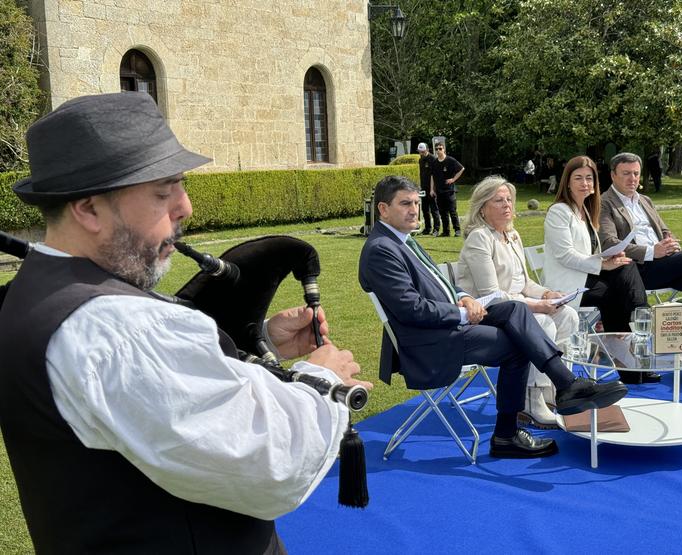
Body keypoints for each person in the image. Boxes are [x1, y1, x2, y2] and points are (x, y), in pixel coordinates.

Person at [0, 92, 371, 554]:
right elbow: (267, 462)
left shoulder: (38, 293)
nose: (185, 207)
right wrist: (323, 379)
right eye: (163, 192)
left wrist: (257, 349)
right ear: (89, 209)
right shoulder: (118, 329)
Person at [358, 175, 627, 459]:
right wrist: (462, 312)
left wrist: (464, 297)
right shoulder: (381, 250)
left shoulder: (402, 240)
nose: (414, 210)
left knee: (516, 309)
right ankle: (506, 435)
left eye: (416, 202)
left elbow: (442, 284)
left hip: (449, 323)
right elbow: (411, 309)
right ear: (383, 209)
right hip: (429, 341)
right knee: (517, 345)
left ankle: (566, 385)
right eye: (405, 204)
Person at [456, 177, 579, 429]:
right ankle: (530, 400)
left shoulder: (511, 235)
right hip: (488, 313)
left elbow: (523, 283)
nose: (507, 205)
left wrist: (546, 294)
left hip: (518, 307)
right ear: (482, 207)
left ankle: (550, 391)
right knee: (543, 320)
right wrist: (538, 306)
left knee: (568, 315)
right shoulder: (480, 238)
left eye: (509, 199)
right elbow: (493, 294)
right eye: (498, 200)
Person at [543, 156, 653, 384]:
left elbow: (590, 252)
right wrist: (602, 264)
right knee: (621, 283)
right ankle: (640, 323)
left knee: (624, 267)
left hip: (587, 278)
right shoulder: (559, 212)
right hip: (567, 286)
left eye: (589, 178)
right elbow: (565, 255)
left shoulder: (585, 209)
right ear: (568, 182)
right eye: (578, 178)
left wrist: (610, 257)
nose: (585, 183)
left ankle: (630, 344)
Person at [600, 152, 682, 347]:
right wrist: (652, 251)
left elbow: (663, 229)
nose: (632, 178)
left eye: (636, 173)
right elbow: (609, 242)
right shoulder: (604, 203)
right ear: (613, 175)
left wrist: (670, 242)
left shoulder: (644, 200)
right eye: (626, 173)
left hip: (663, 264)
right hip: (635, 271)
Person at [430, 142, 464, 237]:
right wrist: (432, 189)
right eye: (436, 149)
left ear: (444, 149)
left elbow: (462, 169)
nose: (438, 151)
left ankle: (457, 230)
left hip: (449, 191)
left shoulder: (450, 160)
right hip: (439, 191)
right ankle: (446, 231)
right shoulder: (434, 162)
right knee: (443, 213)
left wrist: (453, 179)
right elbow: (432, 176)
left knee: (452, 211)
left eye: (440, 148)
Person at [417, 142, 440, 235]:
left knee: (434, 208)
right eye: (420, 151)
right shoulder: (421, 160)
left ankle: (436, 229)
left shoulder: (433, 159)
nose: (421, 153)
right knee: (425, 209)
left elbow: (434, 175)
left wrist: (432, 189)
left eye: (422, 151)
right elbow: (422, 174)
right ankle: (427, 228)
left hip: (432, 188)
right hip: (424, 187)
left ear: (427, 150)